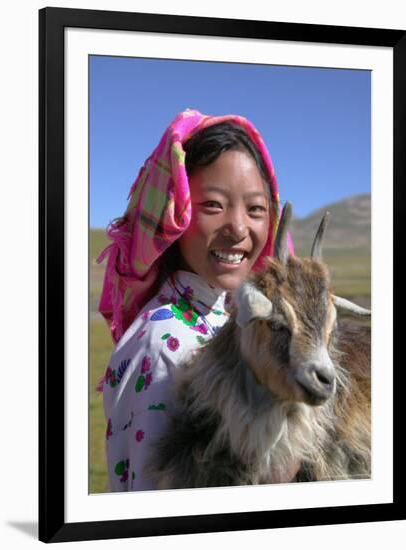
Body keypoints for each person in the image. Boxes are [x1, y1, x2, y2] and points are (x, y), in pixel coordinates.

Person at [96, 109, 292, 491]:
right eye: (213, 206)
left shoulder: (226, 319)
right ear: (175, 213)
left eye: (255, 209)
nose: (238, 227)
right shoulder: (168, 345)